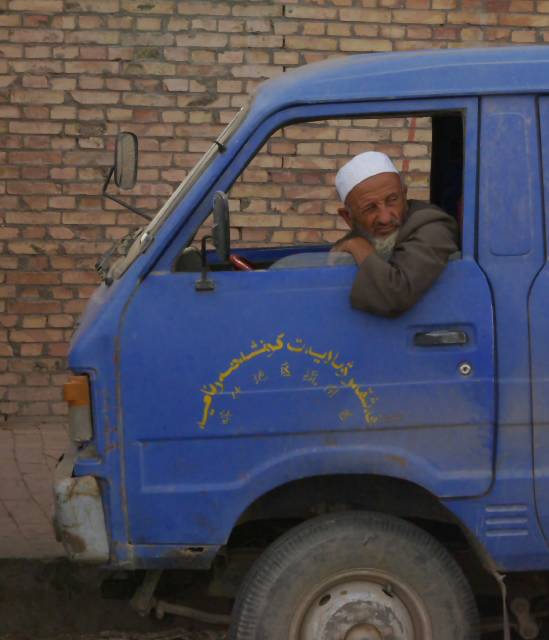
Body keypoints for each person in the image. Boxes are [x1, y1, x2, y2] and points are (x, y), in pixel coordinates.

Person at [331, 151, 459, 317]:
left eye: (392, 200)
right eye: (370, 208)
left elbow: (396, 294)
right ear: (348, 217)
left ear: (404, 195)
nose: (385, 218)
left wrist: (357, 247)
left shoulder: (433, 225)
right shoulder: (362, 233)